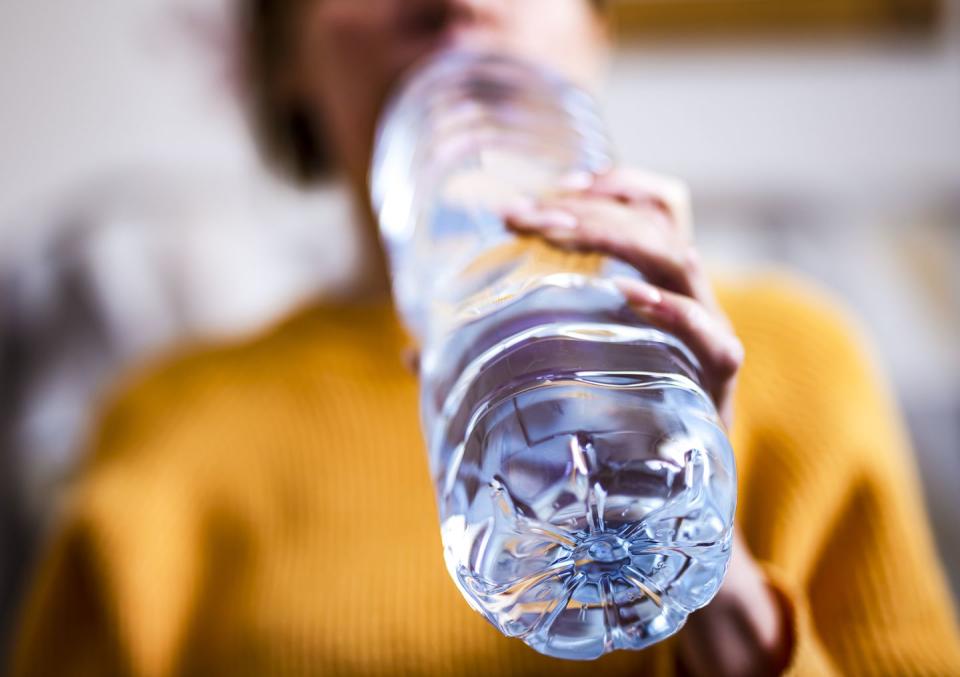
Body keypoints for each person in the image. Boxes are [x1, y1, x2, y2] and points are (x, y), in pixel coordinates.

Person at [12, 1, 960, 675]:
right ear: (282, 56)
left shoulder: (797, 357)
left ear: (593, 27)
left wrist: (716, 579)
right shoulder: (168, 424)